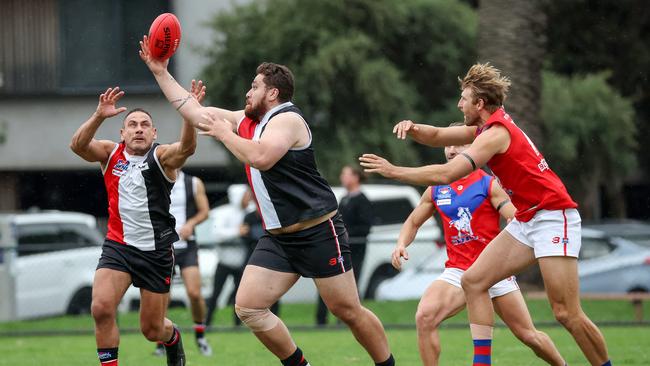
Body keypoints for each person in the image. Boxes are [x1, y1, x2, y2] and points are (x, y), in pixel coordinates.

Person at [139, 36, 395, 366]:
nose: (248, 92)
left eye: (254, 86)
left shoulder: (287, 119)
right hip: (279, 238)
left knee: (347, 310)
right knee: (248, 306)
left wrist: (224, 133)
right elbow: (195, 111)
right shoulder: (248, 121)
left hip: (318, 231)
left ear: (272, 93)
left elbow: (261, 157)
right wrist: (160, 71)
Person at [360, 63, 611, 366]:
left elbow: (448, 172)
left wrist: (395, 171)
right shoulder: (484, 128)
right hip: (528, 220)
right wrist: (413, 128)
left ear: (479, 104)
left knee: (566, 313)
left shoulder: (495, 134)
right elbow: (438, 134)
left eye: (463, 99)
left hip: (553, 215)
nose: (459, 104)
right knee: (474, 281)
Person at [392, 134, 565, 365]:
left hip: (493, 271)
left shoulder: (489, 184)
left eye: (458, 145)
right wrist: (401, 243)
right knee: (425, 316)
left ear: (474, 149)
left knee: (529, 336)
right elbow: (413, 222)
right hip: (458, 271)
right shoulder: (436, 189)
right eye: (447, 145)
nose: (451, 150)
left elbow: (515, 218)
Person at [69, 80, 204, 366]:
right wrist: (98, 116)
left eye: (145, 124)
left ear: (154, 132)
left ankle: (173, 338)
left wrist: (189, 115)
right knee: (101, 308)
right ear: (123, 132)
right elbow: (78, 146)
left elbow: (188, 148)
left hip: (155, 252)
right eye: (132, 124)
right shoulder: (110, 153)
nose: (139, 128)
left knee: (152, 330)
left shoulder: (162, 157)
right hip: (119, 247)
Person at [154, 170, 212, 357]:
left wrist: (190, 224)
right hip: (162, 246)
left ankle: (200, 336)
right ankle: (162, 340)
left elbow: (204, 212)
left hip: (187, 245)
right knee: (163, 297)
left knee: (194, 293)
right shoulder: (155, 178)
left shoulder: (193, 182)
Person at [316, 164, 373, 325]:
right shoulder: (344, 199)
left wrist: (348, 234)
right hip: (338, 250)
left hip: (354, 251)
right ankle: (321, 321)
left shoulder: (362, 200)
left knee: (350, 287)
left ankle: (354, 321)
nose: (342, 177)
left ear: (355, 177)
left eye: (345, 174)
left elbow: (365, 227)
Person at [205, 185, 254, 327]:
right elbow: (217, 234)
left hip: (242, 263)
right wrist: (237, 232)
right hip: (224, 262)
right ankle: (207, 323)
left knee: (240, 297)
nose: (248, 198)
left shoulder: (251, 211)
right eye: (245, 195)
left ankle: (237, 325)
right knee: (216, 294)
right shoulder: (224, 212)